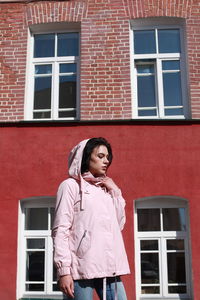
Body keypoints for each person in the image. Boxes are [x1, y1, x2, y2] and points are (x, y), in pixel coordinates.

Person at [52, 137, 130, 300]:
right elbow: (60, 230)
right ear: (86, 158)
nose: (106, 161)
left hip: (110, 268)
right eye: (100, 156)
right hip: (80, 269)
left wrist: (115, 191)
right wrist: (64, 271)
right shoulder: (70, 186)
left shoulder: (106, 190)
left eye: (108, 157)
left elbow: (119, 224)